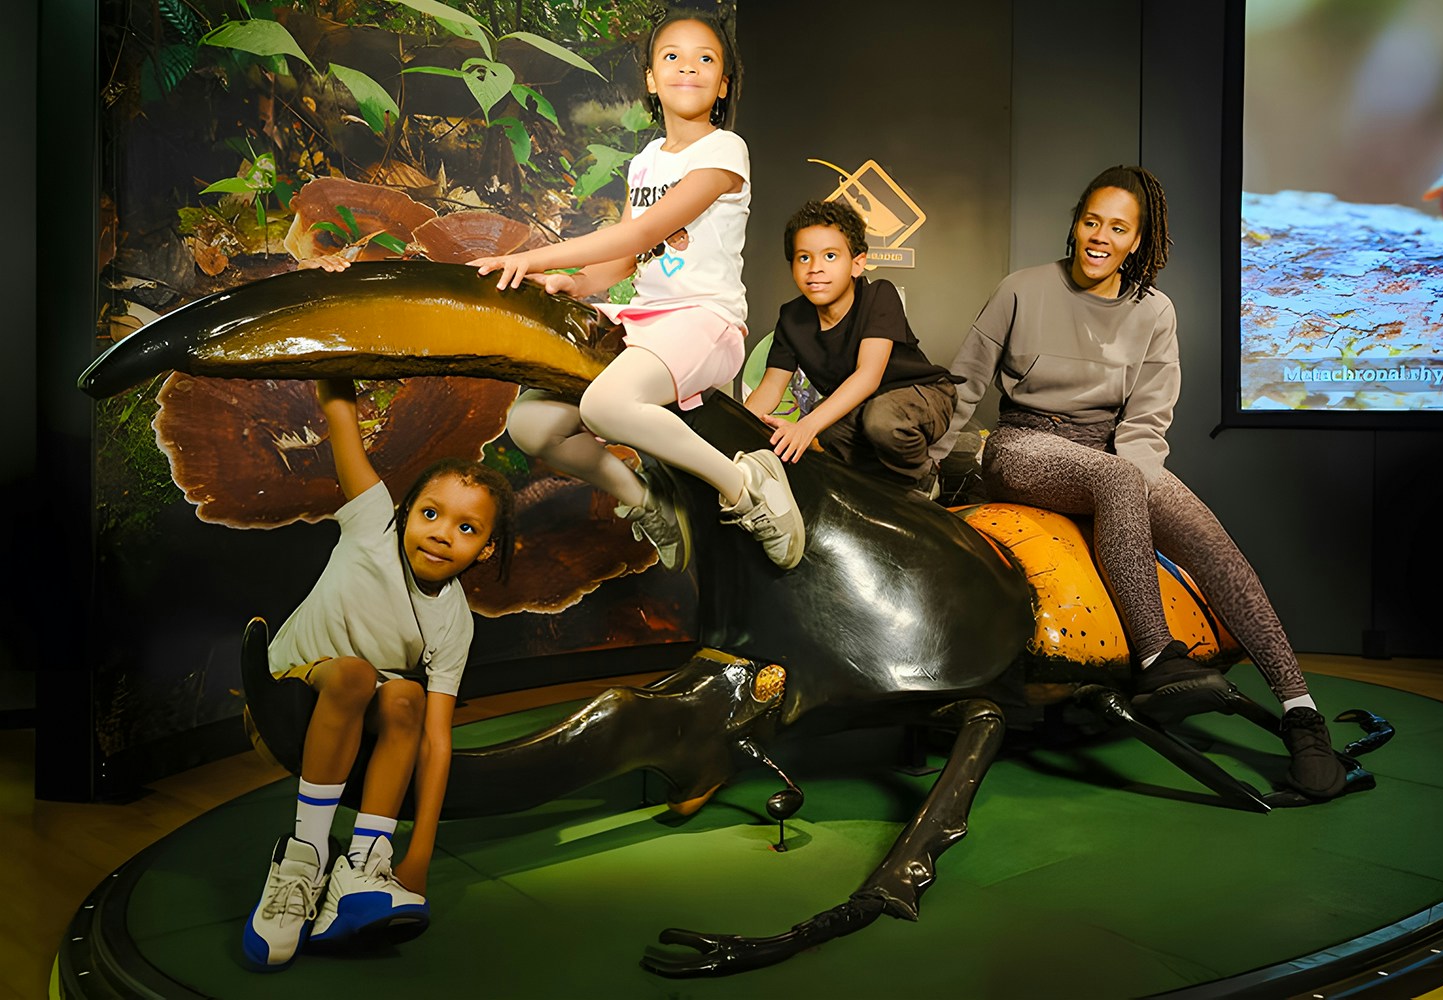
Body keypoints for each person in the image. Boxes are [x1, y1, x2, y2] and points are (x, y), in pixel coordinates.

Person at [930, 164, 1345, 799]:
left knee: (1214, 546)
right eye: (1091, 221)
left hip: (1114, 455)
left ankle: (1300, 714)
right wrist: (924, 475)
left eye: (1117, 228)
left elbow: (1147, 421)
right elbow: (961, 389)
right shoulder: (1021, 288)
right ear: (1075, 224)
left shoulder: (1155, 311)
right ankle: (1157, 659)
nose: (1100, 236)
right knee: (1119, 479)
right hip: (1021, 444)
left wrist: (1147, 491)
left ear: (1138, 241)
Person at [470, 9, 804, 571]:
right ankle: (648, 502)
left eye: (706, 59)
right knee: (529, 425)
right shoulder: (647, 161)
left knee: (605, 405)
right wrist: (571, 282)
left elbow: (644, 231)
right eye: (671, 56)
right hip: (646, 320)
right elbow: (623, 259)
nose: (687, 68)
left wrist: (529, 256)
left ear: (722, 84)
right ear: (651, 78)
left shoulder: (725, 149)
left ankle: (748, 485)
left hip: (703, 321)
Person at [242, 375, 515, 971]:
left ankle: (364, 861)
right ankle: (304, 857)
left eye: (467, 529)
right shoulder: (372, 524)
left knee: (407, 700)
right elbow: (337, 410)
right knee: (356, 676)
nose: (443, 533)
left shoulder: (455, 625)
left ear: (487, 549)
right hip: (282, 703)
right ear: (404, 510)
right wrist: (338, 357)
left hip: (353, 725)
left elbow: (435, 741)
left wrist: (420, 853)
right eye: (431, 513)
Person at [744, 200, 960, 498]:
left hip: (923, 394)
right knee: (829, 434)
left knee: (880, 420)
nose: (815, 268)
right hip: (866, 405)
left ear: (857, 263)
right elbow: (770, 387)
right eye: (803, 258)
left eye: (830, 256)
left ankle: (923, 478)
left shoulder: (878, 295)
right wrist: (737, 428)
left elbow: (868, 376)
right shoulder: (792, 318)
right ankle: (880, 489)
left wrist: (805, 427)